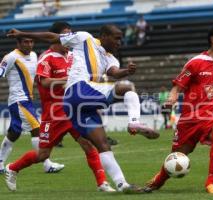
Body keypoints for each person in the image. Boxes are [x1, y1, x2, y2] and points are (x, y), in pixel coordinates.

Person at [7, 24, 159, 193]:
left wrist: (127, 71)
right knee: (126, 89)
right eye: (117, 38)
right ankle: (134, 123)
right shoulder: (83, 39)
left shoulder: (109, 57)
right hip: (70, 98)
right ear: (104, 36)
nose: (120, 42)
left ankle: (121, 184)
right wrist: (22, 33)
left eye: (120, 39)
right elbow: (50, 40)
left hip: (78, 105)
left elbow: (114, 72)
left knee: (98, 144)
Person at [4, 22, 115, 192]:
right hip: (55, 113)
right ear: (56, 38)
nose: (69, 38)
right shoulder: (46, 58)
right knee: (43, 155)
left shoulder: (72, 55)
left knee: (88, 145)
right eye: (65, 35)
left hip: (73, 108)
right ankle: (12, 168)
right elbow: (44, 82)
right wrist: (67, 81)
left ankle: (102, 183)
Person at [143, 22, 213, 194]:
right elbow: (178, 86)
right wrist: (171, 100)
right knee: (177, 157)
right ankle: (157, 182)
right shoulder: (196, 62)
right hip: (190, 118)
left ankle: (210, 182)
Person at [0, 37, 64, 174]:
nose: (29, 44)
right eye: (25, 42)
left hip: (27, 100)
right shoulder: (11, 57)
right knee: (36, 128)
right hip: (19, 100)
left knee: (14, 133)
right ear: (18, 43)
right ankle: (47, 164)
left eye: (31, 42)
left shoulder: (34, 55)